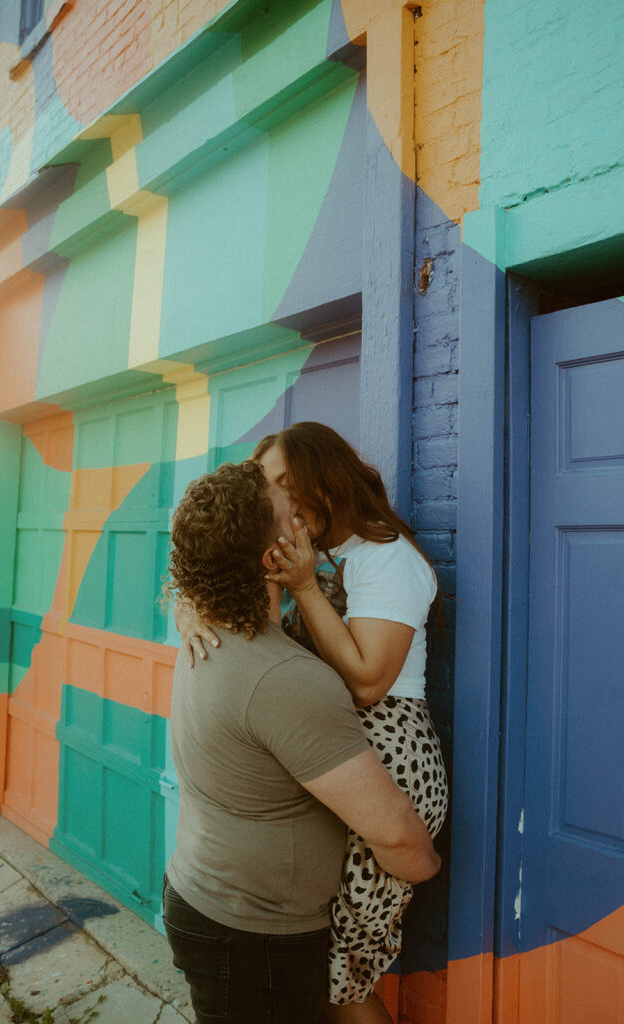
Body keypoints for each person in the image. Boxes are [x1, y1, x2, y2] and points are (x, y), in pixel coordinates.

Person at [177, 423, 449, 1024]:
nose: (282, 502)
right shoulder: (317, 550)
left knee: (340, 981)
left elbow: (368, 682)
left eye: (288, 485)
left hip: (389, 754)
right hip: (339, 751)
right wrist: (186, 608)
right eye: (270, 488)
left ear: (328, 482)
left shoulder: (387, 559)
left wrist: (305, 586)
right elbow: (217, 563)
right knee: (319, 971)